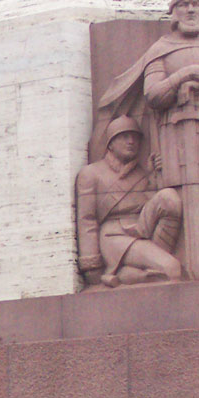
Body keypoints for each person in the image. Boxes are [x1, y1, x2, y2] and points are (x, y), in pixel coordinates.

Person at [97, 0, 199, 278]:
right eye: (185, 4)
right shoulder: (161, 49)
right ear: (173, 12)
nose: (191, 10)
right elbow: (153, 95)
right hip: (180, 144)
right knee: (178, 204)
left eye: (197, 4)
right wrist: (185, 75)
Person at [76, 116, 183, 287]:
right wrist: (91, 267)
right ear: (110, 143)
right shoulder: (91, 173)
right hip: (114, 237)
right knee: (172, 270)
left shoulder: (141, 173)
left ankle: (124, 274)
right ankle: (124, 275)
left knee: (169, 197)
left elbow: (155, 209)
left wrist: (154, 178)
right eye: (124, 136)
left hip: (140, 232)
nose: (131, 141)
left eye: (135, 137)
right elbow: (87, 220)